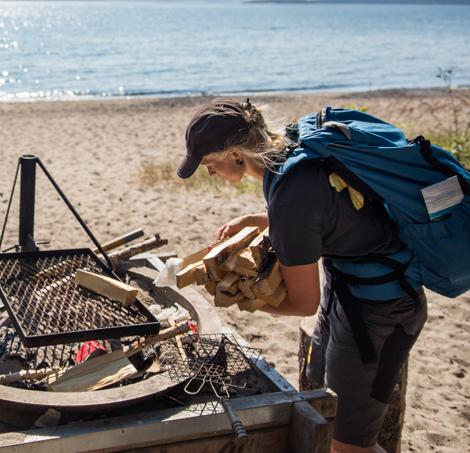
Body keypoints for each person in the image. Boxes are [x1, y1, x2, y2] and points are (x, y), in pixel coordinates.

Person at [176, 97, 427, 453]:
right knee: (324, 411)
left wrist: (236, 299)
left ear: (236, 154)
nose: (209, 171)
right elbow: (326, 212)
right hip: (350, 295)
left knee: (349, 446)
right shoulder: (289, 150)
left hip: (380, 313)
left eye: (209, 163)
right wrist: (261, 220)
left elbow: (303, 303)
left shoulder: (290, 197)